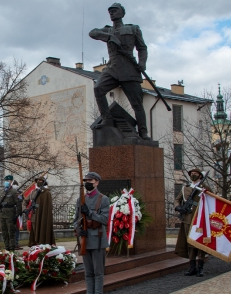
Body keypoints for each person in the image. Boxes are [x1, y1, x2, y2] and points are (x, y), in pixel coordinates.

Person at [89, 3, 151, 140]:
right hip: (113, 67)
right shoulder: (107, 30)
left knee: (137, 104)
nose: (112, 13)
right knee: (98, 88)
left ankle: (143, 132)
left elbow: (142, 48)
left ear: (122, 13)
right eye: (110, 11)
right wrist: (109, 37)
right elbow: (92, 33)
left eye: (115, 10)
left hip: (129, 68)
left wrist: (142, 63)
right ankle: (107, 119)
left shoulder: (133, 29)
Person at [73, 172, 110, 294]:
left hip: (97, 239)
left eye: (91, 181)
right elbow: (75, 221)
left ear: (97, 182)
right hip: (85, 239)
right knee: (88, 273)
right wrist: (80, 231)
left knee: (98, 273)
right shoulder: (81, 199)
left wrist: (89, 213)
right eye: (86, 181)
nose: (88, 183)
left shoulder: (103, 199)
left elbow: (104, 219)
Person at [174, 168, 212, 277]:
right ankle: (192, 267)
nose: (193, 175)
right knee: (190, 243)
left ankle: (200, 267)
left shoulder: (204, 188)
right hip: (187, 219)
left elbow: (212, 198)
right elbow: (177, 199)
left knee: (200, 243)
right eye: (192, 174)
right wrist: (178, 208)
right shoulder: (185, 188)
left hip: (200, 219)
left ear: (200, 176)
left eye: (196, 174)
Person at [22, 177, 55, 247]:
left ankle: (42, 245)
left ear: (44, 182)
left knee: (42, 231)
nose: (39, 181)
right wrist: (25, 209)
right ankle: (35, 245)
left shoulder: (47, 193)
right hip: (34, 215)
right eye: (38, 180)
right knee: (34, 231)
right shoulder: (33, 192)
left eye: (41, 180)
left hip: (43, 216)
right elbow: (25, 201)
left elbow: (49, 206)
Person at [0, 175, 21, 251]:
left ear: (11, 182)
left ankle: (12, 248)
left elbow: (18, 203)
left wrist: (17, 214)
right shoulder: (1, 191)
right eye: (6, 181)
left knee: (11, 232)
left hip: (10, 214)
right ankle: (6, 246)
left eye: (8, 181)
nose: (7, 182)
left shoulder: (14, 192)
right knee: (4, 232)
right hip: (2, 214)